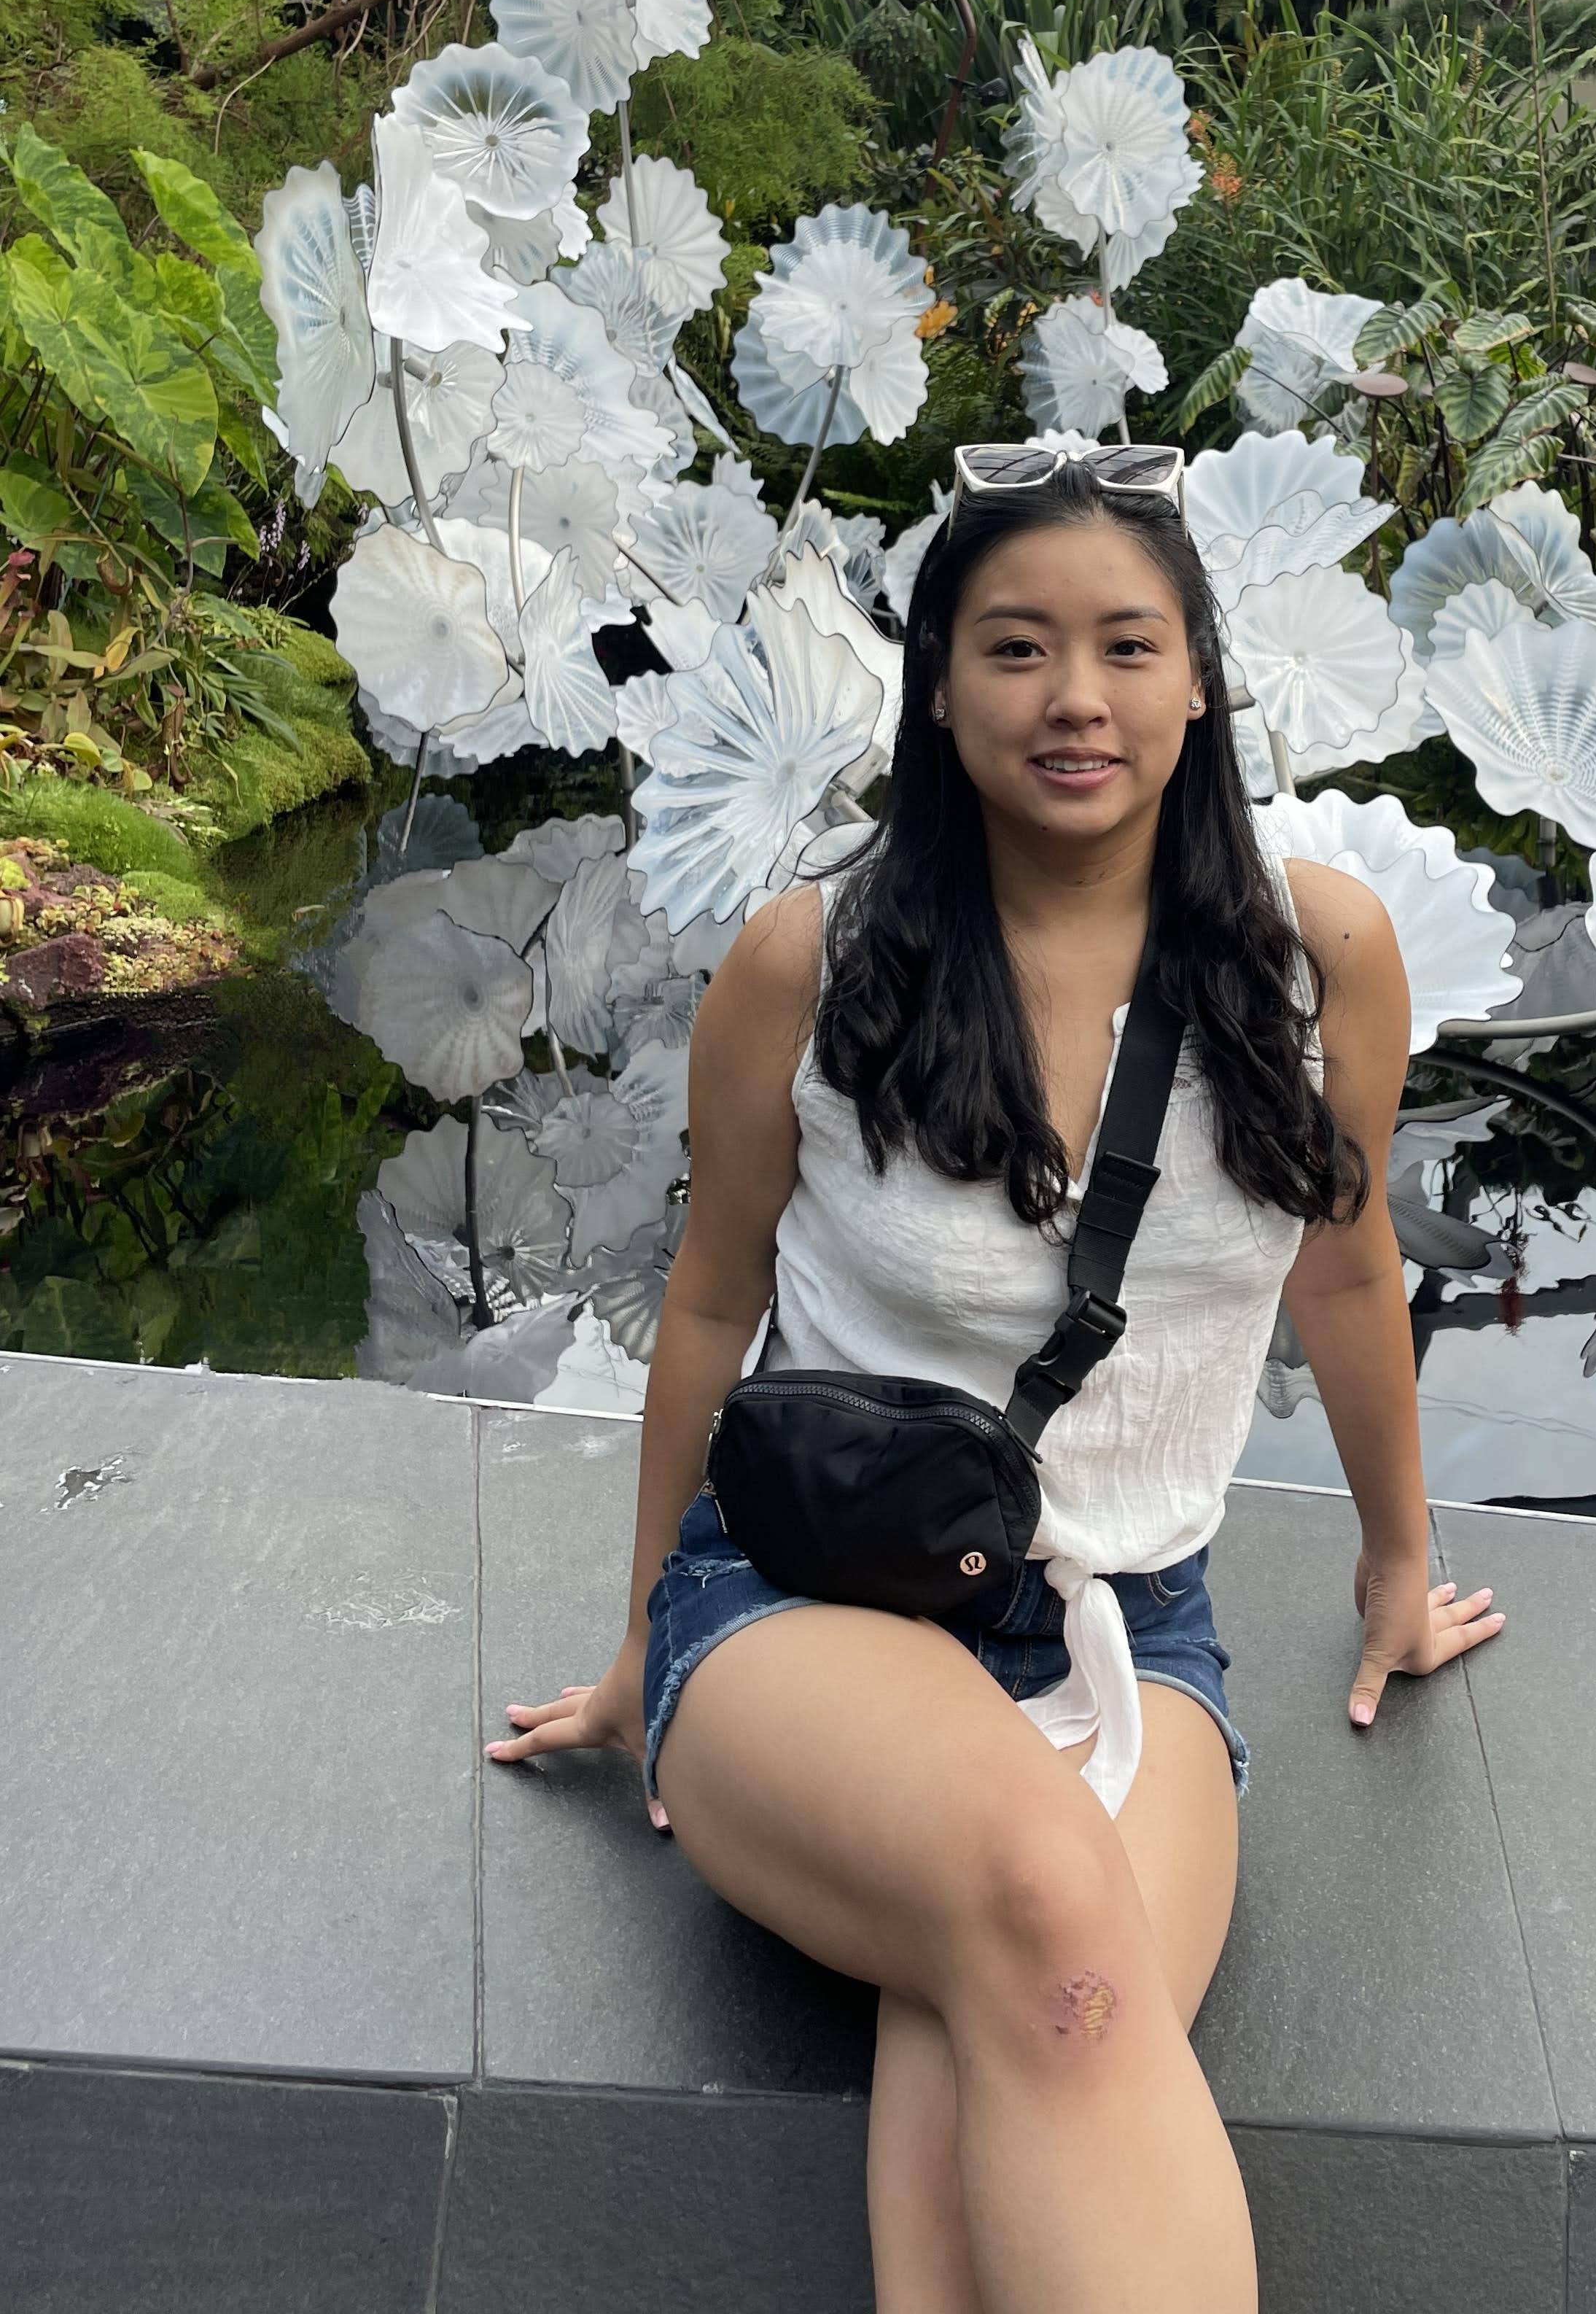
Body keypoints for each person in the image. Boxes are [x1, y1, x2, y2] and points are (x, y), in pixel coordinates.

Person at [486, 442, 1506, 2310]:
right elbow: (710, 1307)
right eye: (1018, 649)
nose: (1077, 700)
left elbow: (1347, 1269)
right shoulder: (815, 962)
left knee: (1036, 2003)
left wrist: (1391, 1571)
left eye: (1127, 647)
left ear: (1199, 678)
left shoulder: (1320, 957)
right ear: (940, 683)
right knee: (1046, 1904)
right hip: (806, 1603)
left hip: (1136, 1625)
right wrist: (644, 1640)